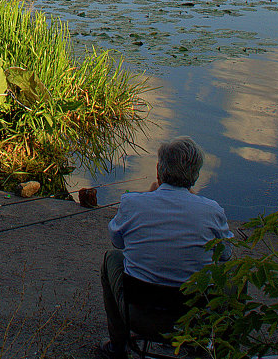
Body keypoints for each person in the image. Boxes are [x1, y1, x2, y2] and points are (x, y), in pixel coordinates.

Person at [98, 136, 233, 359]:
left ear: (159, 170)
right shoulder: (212, 211)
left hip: (138, 316)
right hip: (192, 321)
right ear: (196, 175)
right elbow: (225, 254)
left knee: (111, 259)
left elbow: (118, 242)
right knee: (233, 276)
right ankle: (212, 352)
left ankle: (117, 347)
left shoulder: (132, 203)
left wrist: (150, 198)